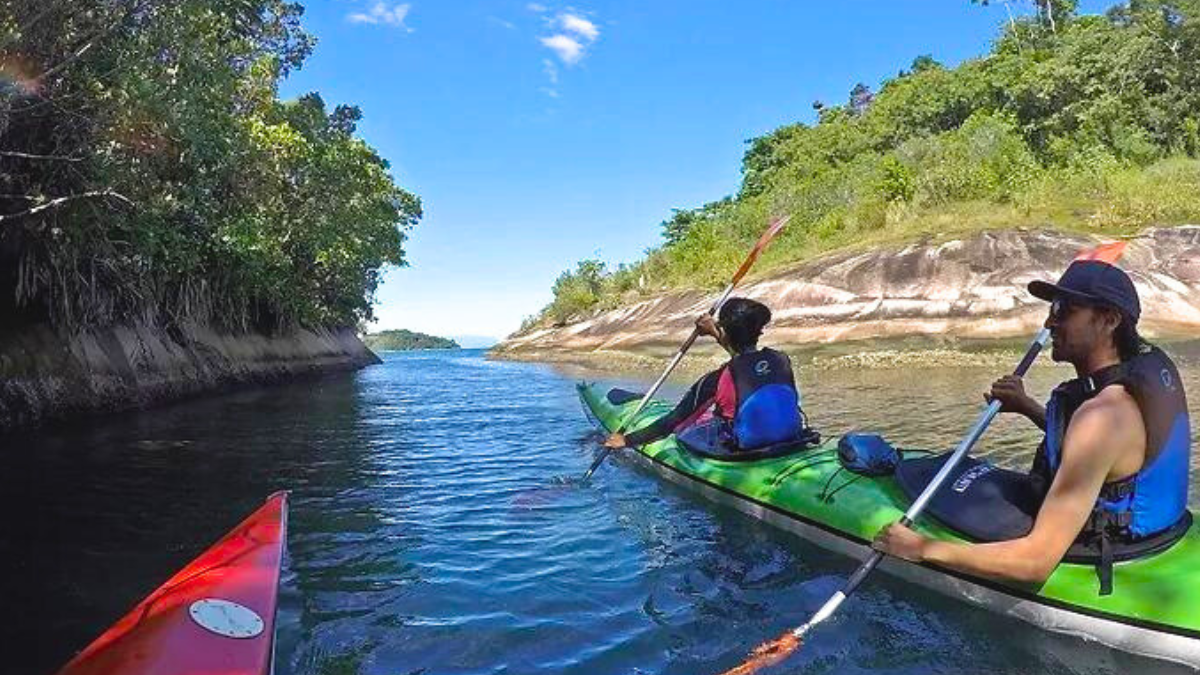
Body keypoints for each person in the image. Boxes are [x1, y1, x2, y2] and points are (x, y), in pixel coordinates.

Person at [873, 260, 1191, 592]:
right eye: (1052, 307)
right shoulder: (1140, 380)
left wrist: (922, 548)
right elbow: (1112, 461)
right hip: (1162, 531)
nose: (1049, 321)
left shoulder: (1102, 416)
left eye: (1064, 309)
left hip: (1110, 544)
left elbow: (1034, 563)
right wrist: (1029, 409)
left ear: (1109, 320)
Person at [604, 297, 805, 452]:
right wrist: (715, 332)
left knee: (686, 433)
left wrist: (627, 440)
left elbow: (674, 421)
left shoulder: (717, 379)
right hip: (792, 440)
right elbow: (745, 363)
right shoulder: (781, 360)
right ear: (759, 332)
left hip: (745, 449)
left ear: (725, 332)